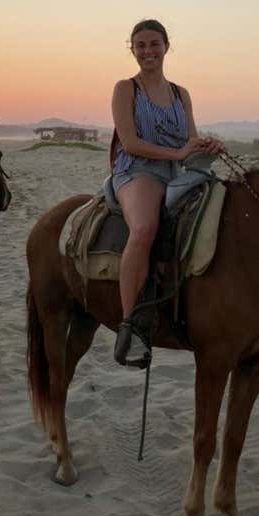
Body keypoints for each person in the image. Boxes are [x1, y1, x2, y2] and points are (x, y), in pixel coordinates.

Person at [110, 19, 225, 367]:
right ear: (132, 49)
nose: (148, 51)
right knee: (144, 228)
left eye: (154, 44)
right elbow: (130, 142)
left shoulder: (180, 93)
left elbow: (189, 140)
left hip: (177, 172)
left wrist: (205, 144)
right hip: (136, 171)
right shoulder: (125, 88)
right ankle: (129, 325)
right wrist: (177, 154)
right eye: (141, 45)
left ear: (166, 47)